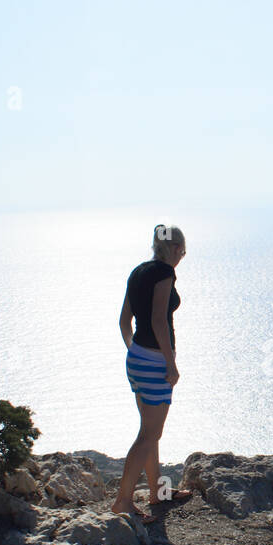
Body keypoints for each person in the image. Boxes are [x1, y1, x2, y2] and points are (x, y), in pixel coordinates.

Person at [112, 224, 193, 524]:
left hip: (135, 359)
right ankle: (123, 501)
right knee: (149, 434)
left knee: (150, 430)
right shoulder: (164, 274)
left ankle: (159, 491)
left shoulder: (138, 272)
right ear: (173, 249)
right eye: (183, 252)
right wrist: (169, 363)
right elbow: (160, 321)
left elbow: (124, 321)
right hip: (155, 362)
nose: (182, 257)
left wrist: (136, 351)